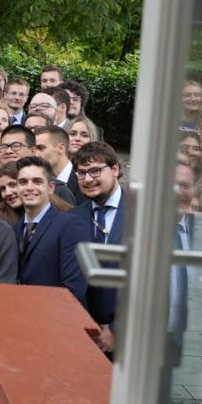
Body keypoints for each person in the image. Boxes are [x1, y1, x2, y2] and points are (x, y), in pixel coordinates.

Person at [74, 142, 125, 354]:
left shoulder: (144, 213)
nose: (87, 179)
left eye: (95, 171)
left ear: (115, 169)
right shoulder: (73, 218)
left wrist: (116, 330)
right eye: (81, 173)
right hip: (85, 336)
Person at [13, 155, 86, 303]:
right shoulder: (14, 230)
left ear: (51, 187)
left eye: (37, 181)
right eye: (23, 182)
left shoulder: (70, 225)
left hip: (56, 319)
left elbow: (74, 288)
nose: (29, 187)